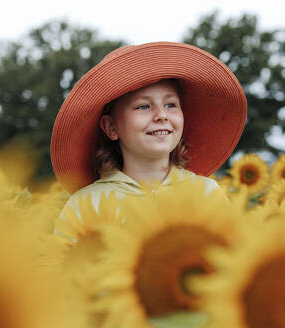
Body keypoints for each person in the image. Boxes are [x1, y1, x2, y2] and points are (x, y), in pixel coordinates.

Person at [50, 41, 247, 223]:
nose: (162, 115)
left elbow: (233, 258)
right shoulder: (85, 203)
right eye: (143, 107)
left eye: (171, 104)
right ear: (111, 127)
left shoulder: (206, 192)